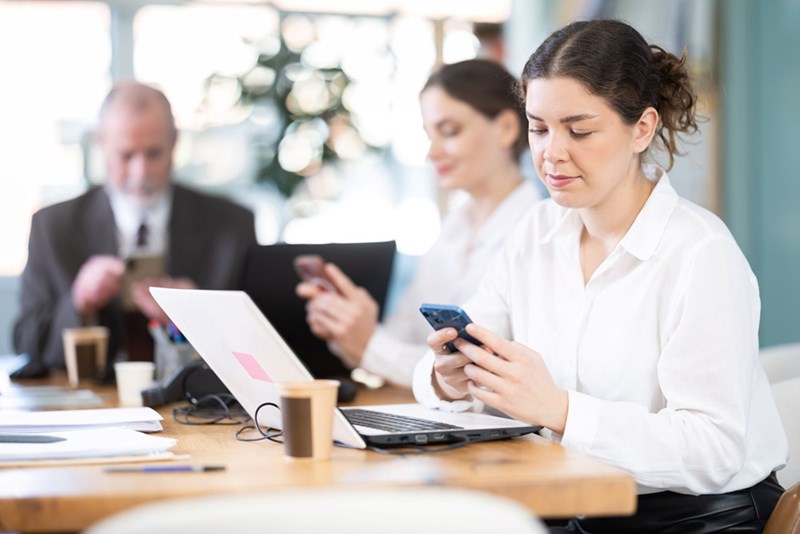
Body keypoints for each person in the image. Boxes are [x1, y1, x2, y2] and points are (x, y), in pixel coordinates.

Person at [413, 20, 787, 532]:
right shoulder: (535, 233)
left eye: (580, 130)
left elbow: (714, 448)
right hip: (573, 504)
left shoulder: (701, 254)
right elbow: (463, 348)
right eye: (539, 128)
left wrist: (561, 411)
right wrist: (448, 377)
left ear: (642, 128)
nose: (552, 153)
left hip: (695, 519)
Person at [296, 59, 542, 387]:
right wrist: (349, 325)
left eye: (450, 131)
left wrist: (369, 344)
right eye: (429, 135)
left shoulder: (539, 235)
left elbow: (473, 372)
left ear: (507, 129)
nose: (432, 152)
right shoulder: (451, 230)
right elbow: (406, 338)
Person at [13, 81, 257, 376]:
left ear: (174, 143)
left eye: (154, 154)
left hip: (197, 408)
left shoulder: (230, 225)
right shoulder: (53, 228)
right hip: (91, 408)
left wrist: (196, 315)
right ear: (101, 144)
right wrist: (78, 302)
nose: (141, 172)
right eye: (126, 155)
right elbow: (26, 342)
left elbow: (259, 342)